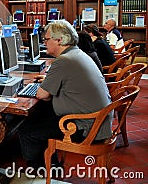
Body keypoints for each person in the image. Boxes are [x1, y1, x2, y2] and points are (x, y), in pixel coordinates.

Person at [18, 20, 112, 170]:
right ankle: (51, 162)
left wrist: (45, 90)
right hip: (98, 120)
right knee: (40, 114)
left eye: (47, 39)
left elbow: (42, 95)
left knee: (26, 130)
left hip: (85, 126)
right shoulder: (77, 53)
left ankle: (38, 169)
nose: (45, 42)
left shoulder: (64, 61)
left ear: (59, 40)